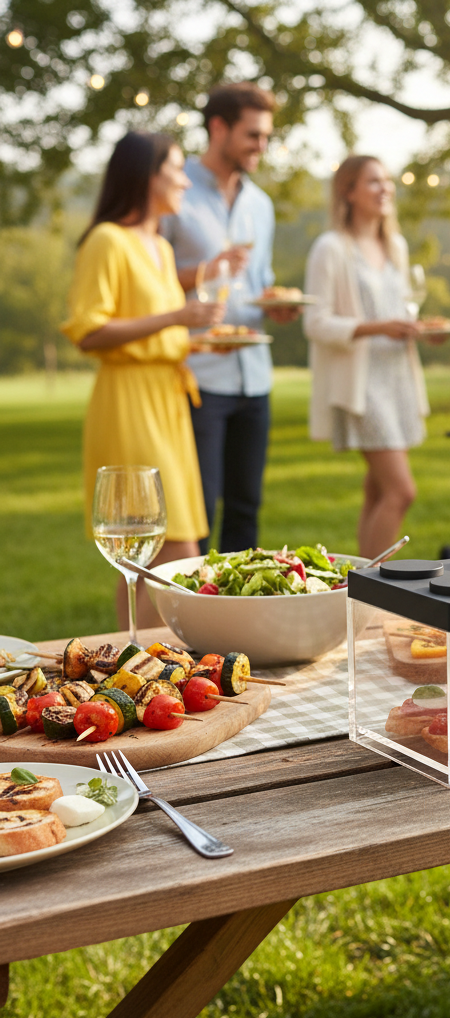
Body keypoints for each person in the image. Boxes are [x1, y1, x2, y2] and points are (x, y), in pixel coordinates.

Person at [61, 132, 225, 628]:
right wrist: (178, 316)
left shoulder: (157, 245)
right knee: (171, 545)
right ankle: (163, 663)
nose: (184, 180)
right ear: (145, 177)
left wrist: (192, 339)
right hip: (129, 401)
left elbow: (152, 327)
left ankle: (137, 660)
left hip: (166, 396)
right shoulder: (107, 240)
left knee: (142, 556)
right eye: (176, 169)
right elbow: (89, 330)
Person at [162, 83, 300, 554]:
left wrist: (276, 305)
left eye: (265, 137)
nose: (262, 145)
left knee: (246, 508)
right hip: (199, 376)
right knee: (197, 510)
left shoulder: (260, 204)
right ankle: (189, 617)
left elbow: (258, 280)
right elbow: (150, 277)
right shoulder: (175, 192)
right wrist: (208, 270)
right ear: (218, 127)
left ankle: (240, 619)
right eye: (253, 135)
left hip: (254, 377)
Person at [303, 155, 436, 559]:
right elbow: (316, 322)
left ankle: (357, 593)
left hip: (397, 378)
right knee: (401, 491)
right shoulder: (330, 249)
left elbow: (401, 312)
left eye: (388, 181)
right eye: (374, 182)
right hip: (363, 386)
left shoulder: (395, 245)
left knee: (377, 490)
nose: (386, 189)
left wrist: (420, 331)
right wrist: (378, 327)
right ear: (348, 191)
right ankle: (377, 590)